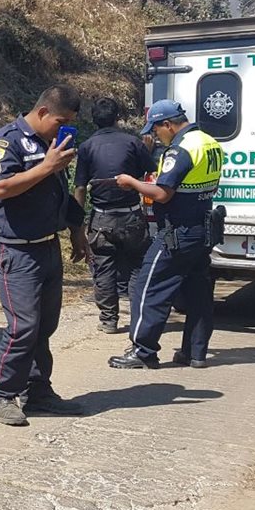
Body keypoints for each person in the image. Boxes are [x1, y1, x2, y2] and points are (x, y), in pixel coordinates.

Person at [0, 85, 89, 426]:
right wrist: (46, 166)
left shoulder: (49, 144)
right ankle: (1, 394)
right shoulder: (6, 141)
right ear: (43, 112)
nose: (64, 128)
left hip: (48, 246)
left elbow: (58, 191)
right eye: (62, 121)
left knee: (45, 325)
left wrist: (76, 229)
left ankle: (38, 391)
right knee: (22, 326)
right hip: (16, 252)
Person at [107, 100, 223, 370]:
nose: (155, 136)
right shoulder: (209, 143)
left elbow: (162, 193)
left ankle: (143, 352)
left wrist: (132, 183)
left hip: (177, 232)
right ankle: (195, 352)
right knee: (198, 292)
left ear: (167, 124)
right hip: (203, 229)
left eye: (156, 130)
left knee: (150, 288)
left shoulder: (180, 149)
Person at [73, 98, 156, 335]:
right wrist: (147, 150)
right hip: (131, 218)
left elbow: (80, 187)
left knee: (104, 269)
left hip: (101, 219)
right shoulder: (132, 142)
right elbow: (149, 171)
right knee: (136, 267)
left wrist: (78, 224)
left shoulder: (87, 147)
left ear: (93, 120)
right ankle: (139, 318)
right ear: (117, 117)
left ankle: (109, 321)